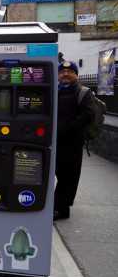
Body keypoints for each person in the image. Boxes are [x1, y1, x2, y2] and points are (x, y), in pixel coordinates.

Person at [55, 60, 93, 220]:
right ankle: (57, 206)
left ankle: (62, 209)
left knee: (68, 177)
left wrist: (67, 128)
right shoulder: (54, 90)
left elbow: (87, 115)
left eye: (70, 71)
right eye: (62, 72)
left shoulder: (83, 92)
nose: (65, 74)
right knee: (56, 173)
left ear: (76, 75)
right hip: (54, 142)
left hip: (72, 143)